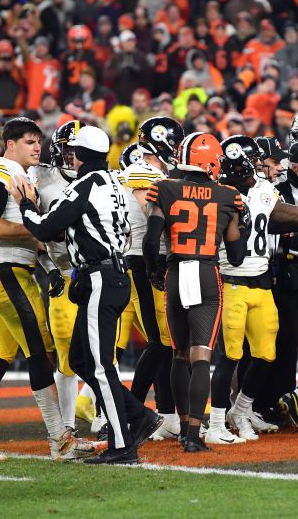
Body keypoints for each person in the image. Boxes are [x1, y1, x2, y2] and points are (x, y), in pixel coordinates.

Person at [11, 125, 162, 464]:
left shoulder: (84, 185)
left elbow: (46, 227)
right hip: (112, 274)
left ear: (78, 155)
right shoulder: (113, 182)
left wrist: (26, 204)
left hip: (101, 278)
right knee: (81, 359)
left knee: (98, 364)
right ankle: (139, 415)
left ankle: (123, 446)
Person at [211, 135, 298, 443]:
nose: (275, 167)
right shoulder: (218, 193)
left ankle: (242, 410)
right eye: (270, 162)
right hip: (230, 281)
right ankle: (214, 421)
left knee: (267, 353)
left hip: (262, 282)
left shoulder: (265, 190)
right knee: (229, 357)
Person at [0, 118, 98, 462]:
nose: (36, 147)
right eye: (29, 141)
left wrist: (47, 262)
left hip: (7, 272)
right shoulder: (2, 169)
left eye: (38, 141)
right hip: (6, 273)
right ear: (9, 143)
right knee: (41, 353)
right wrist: (36, 229)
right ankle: (59, 438)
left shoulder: (21, 174)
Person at [143, 131, 246, 453]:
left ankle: (182, 423)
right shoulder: (228, 195)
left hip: (175, 271)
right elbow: (238, 255)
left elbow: (150, 241)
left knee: (179, 354)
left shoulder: (164, 188)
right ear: (212, 161)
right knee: (202, 355)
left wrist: (154, 272)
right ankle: (192, 435)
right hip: (204, 272)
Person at [116, 117, 185, 441]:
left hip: (143, 260)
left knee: (165, 342)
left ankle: (163, 413)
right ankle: (129, 411)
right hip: (145, 261)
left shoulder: (148, 171)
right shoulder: (144, 171)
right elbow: (153, 216)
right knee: (161, 342)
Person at [28, 120, 85, 434]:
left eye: (78, 149)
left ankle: (104, 420)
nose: (73, 155)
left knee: (102, 349)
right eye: (68, 148)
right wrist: (48, 269)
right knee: (64, 349)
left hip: (92, 273)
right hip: (62, 273)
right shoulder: (42, 176)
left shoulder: (100, 179)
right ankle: (67, 425)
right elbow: (30, 229)